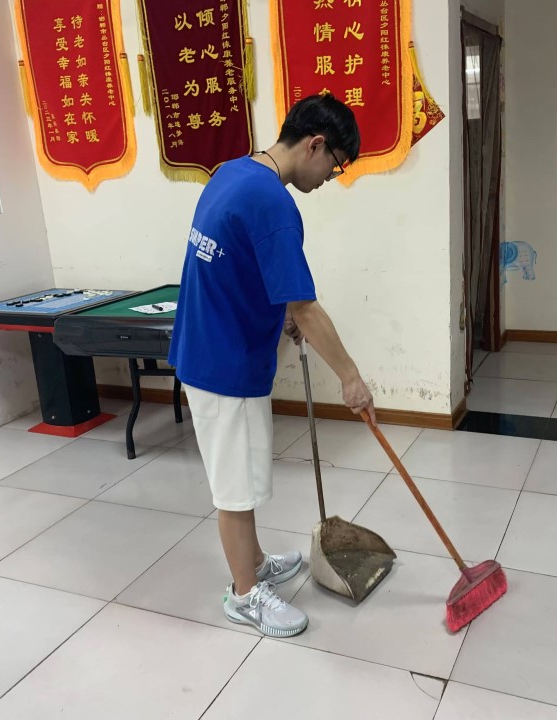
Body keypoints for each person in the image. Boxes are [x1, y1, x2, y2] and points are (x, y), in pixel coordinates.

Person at [167, 94, 376, 638]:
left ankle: (254, 563)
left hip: (211, 347)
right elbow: (306, 307)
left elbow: (238, 265)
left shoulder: (234, 173)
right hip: (223, 364)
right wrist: (351, 377)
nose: (330, 178)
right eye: (336, 165)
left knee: (244, 473)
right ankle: (244, 595)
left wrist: (277, 310)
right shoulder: (274, 205)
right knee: (235, 488)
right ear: (315, 144)